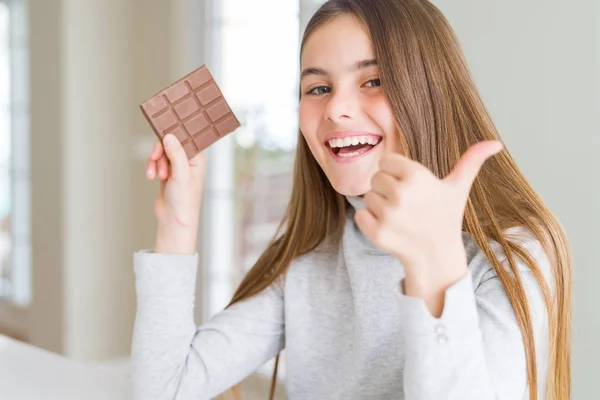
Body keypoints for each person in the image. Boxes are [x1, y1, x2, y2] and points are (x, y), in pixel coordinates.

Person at [131, 0, 572, 399]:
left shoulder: (512, 255)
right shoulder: (309, 261)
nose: (336, 108)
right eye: (318, 88)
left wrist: (434, 267)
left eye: (373, 80)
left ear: (430, 93)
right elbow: (165, 390)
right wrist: (178, 222)